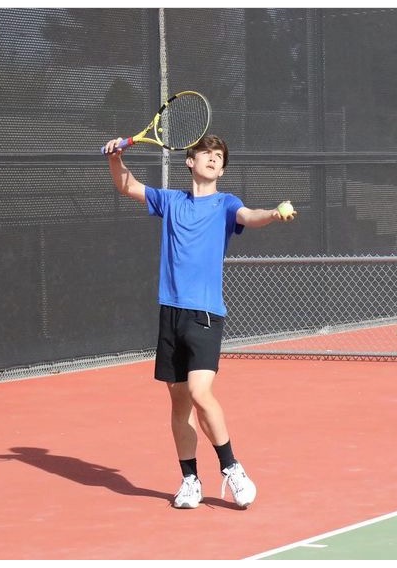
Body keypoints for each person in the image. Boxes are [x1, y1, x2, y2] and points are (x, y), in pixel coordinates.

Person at [102, 133, 296, 509]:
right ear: (190, 162)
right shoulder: (171, 201)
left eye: (218, 157)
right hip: (170, 312)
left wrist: (271, 214)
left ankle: (231, 467)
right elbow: (127, 185)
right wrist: (114, 156)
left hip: (206, 313)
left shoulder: (226, 204)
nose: (212, 159)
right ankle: (189, 479)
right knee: (178, 405)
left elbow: (248, 217)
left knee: (200, 392)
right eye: (206, 153)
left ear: (222, 169)